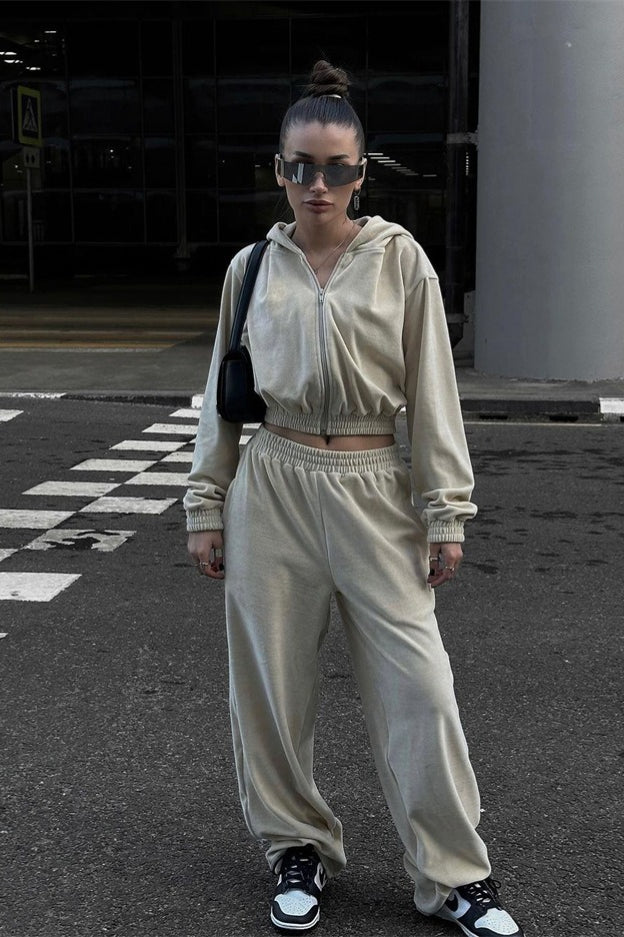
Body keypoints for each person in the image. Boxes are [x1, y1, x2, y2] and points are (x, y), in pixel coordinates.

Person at [185, 60, 525, 937]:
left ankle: (453, 873)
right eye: (301, 165)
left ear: (361, 172)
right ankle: (296, 847)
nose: (318, 184)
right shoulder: (251, 268)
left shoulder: (400, 261)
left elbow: (434, 391)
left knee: (422, 689)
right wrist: (206, 502)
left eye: (336, 168)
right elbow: (220, 391)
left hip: (376, 487)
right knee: (271, 692)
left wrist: (445, 509)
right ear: (278, 169)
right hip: (274, 484)